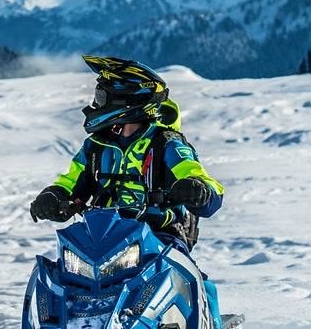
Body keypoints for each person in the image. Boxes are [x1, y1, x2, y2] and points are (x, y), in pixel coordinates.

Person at [30, 55, 225, 328]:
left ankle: (208, 321)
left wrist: (197, 189)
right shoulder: (96, 146)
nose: (95, 104)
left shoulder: (166, 143)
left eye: (102, 96)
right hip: (101, 235)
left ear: (127, 101)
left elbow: (198, 177)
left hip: (158, 235)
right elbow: (71, 180)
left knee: (196, 279)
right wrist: (53, 196)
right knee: (60, 276)